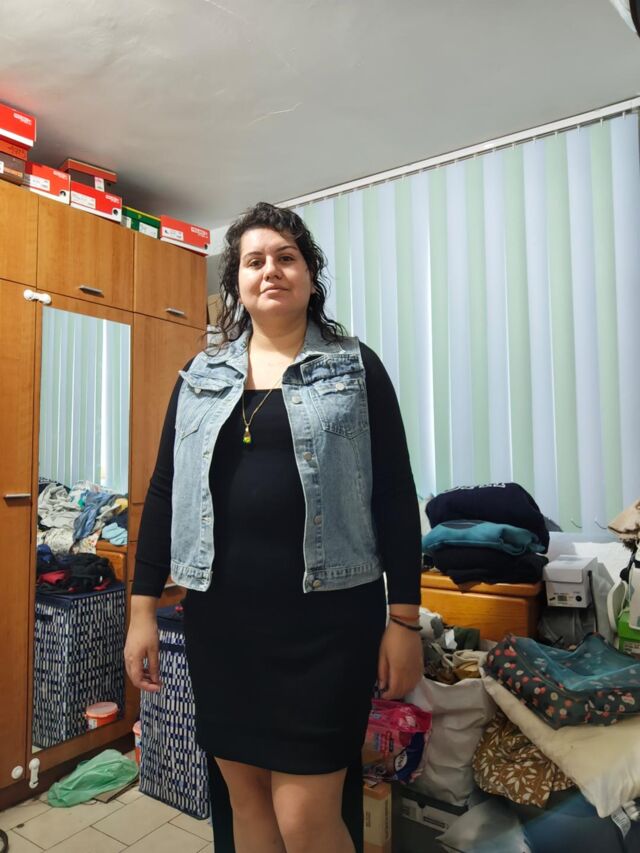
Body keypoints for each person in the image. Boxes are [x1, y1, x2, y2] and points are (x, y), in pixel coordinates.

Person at [125, 201, 423, 853]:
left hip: (327, 625)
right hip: (222, 624)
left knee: (305, 818)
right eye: (254, 260)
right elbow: (165, 490)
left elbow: (396, 495)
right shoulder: (200, 377)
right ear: (236, 282)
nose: (271, 270)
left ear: (310, 276)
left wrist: (404, 621)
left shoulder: (355, 368)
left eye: (286, 257)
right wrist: (143, 610)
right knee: (247, 803)